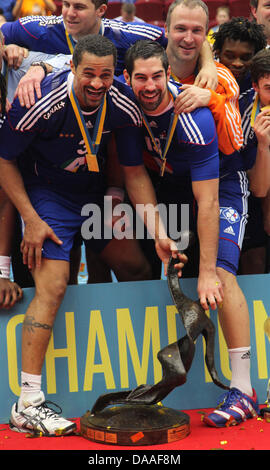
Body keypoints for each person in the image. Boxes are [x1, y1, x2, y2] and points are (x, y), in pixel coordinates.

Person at [0, 34, 185, 436]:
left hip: (96, 198)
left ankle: (134, 374)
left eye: (105, 75)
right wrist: (30, 218)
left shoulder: (122, 103)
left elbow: (134, 171)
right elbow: (4, 160)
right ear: (72, 68)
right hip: (47, 197)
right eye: (89, 74)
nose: (97, 84)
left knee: (136, 265)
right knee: (54, 286)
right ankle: (27, 402)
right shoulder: (41, 101)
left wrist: (158, 231)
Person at [157, 0, 259, 428]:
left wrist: (213, 99)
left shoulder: (219, 78)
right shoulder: (146, 68)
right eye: (181, 28)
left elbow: (235, 143)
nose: (188, 38)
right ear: (165, 29)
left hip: (223, 185)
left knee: (221, 273)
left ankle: (243, 388)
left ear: (206, 35)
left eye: (197, 31)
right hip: (173, 188)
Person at [124, 39, 223, 312]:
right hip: (150, 182)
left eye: (157, 76)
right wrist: (159, 234)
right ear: (126, 77)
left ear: (169, 75)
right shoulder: (123, 105)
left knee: (192, 268)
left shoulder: (194, 117)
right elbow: (133, 175)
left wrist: (208, 272)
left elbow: (208, 201)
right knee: (140, 257)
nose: (150, 86)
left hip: (193, 189)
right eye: (141, 78)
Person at [212, 17, 269, 275]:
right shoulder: (215, 87)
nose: (236, 63)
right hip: (234, 183)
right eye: (229, 55)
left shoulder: (261, 75)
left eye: (245, 57)